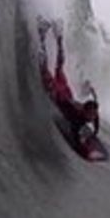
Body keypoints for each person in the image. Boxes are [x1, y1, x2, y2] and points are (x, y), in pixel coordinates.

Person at [37, 18, 100, 149]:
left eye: (93, 114)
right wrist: (82, 145)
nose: (92, 117)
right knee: (45, 69)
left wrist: (94, 133)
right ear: (85, 111)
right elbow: (75, 135)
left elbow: (96, 119)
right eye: (90, 115)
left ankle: (59, 37)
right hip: (59, 94)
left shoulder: (92, 113)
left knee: (59, 67)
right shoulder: (78, 117)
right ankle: (43, 35)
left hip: (66, 91)